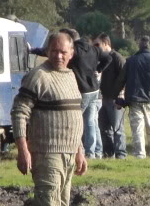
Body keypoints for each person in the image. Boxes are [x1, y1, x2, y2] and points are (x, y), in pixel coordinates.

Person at [11, 32, 87, 206]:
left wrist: (80, 150)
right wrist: (23, 149)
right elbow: (19, 112)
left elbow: (74, 116)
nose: (59, 56)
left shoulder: (71, 76)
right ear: (46, 51)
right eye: (54, 50)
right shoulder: (38, 76)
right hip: (46, 151)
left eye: (64, 52)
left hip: (68, 151)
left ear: (71, 53)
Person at [32, 28, 110, 159]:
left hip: (82, 89)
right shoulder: (92, 48)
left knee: (76, 120)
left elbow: (53, 54)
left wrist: (33, 50)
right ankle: (96, 151)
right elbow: (108, 58)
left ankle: (84, 151)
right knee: (92, 121)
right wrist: (98, 69)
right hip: (94, 89)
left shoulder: (75, 52)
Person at [113, 36, 150, 161]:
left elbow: (121, 80)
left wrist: (116, 95)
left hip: (134, 100)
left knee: (137, 130)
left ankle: (139, 155)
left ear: (139, 46)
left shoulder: (130, 61)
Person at [94, 33, 127, 158]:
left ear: (106, 44)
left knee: (118, 129)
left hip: (115, 99)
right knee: (104, 128)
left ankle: (121, 155)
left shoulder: (117, 58)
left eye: (98, 45)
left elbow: (125, 77)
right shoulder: (101, 59)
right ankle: (108, 153)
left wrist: (121, 96)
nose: (96, 48)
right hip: (103, 98)